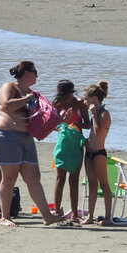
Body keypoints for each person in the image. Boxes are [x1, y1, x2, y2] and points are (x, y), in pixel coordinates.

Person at [0, 60, 59, 227]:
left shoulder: (33, 93)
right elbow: (5, 105)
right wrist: (26, 99)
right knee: (9, 178)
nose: (37, 75)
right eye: (35, 72)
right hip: (7, 136)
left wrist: (56, 120)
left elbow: (41, 117)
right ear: (27, 73)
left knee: (34, 177)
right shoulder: (10, 87)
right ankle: (5, 217)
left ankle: (47, 216)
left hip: (26, 138)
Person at [51, 80, 89, 221]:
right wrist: (63, 122)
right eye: (66, 96)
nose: (68, 98)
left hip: (76, 143)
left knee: (74, 179)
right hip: (62, 143)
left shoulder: (80, 103)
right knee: (60, 178)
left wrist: (75, 123)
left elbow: (88, 124)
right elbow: (52, 125)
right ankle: (57, 211)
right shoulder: (57, 103)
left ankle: (74, 213)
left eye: (70, 95)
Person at [81, 80, 113, 225]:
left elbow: (98, 132)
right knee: (91, 184)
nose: (84, 101)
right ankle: (90, 215)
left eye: (86, 98)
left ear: (94, 99)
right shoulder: (95, 113)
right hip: (89, 152)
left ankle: (108, 217)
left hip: (99, 153)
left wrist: (94, 115)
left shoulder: (104, 114)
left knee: (104, 184)